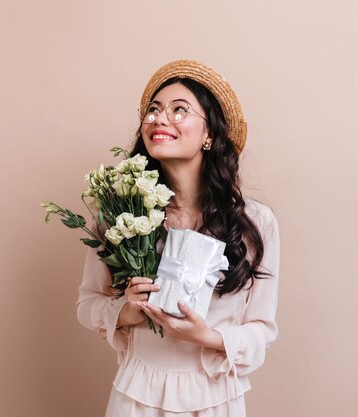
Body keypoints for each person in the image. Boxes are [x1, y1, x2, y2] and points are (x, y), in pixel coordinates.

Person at [76, 59, 280, 417]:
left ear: (210, 135)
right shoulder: (120, 215)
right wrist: (127, 311)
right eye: (153, 110)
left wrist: (207, 337)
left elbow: (261, 328)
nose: (159, 118)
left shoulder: (255, 222)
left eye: (179, 110)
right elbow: (87, 305)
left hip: (215, 396)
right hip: (137, 396)